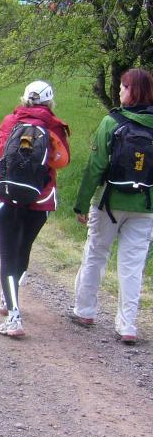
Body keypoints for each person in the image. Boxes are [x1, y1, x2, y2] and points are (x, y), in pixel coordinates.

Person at [0, 80, 70, 337]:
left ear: (24, 98)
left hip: (5, 195)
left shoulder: (11, 121)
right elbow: (62, 161)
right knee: (23, 250)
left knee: (7, 257)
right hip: (40, 199)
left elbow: (0, 145)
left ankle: (13, 315)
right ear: (50, 101)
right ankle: (9, 298)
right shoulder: (55, 126)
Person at [70, 68, 153, 345]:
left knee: (96, 253)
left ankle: (84, 311)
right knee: (133, 265)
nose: (119, 90)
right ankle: (127, 326)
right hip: (145, 206)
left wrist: (81, 204)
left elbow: (95, 167)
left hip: (108, 202)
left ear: (131, 91)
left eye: (122, 87)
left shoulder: (111, 122)